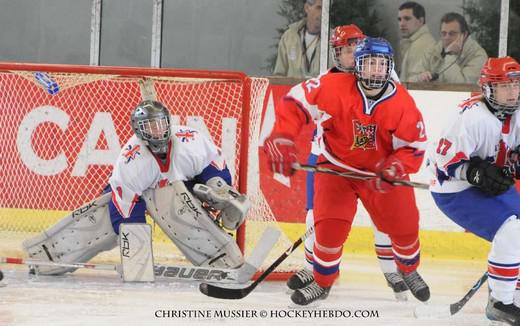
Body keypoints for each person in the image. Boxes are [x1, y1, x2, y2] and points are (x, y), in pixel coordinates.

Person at [264, 37, 430, 306]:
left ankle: (408, 269)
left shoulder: (402, 103)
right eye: (369, 63)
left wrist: (396, 167)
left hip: (381, 175)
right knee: (328, 230)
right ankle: (322, 281)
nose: (375, 70)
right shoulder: (333, 87)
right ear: (357, 66)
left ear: (390, 67)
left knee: (405, 226)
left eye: (381, 64)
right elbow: (295, 102)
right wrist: (283, 136)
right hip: (336, 169)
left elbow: (415, 146)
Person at [23, 100, 250, 275]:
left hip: (183, 186)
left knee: (187, 202)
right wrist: (137, 253)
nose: (157, 131)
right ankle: (46, 257)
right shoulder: (130, 161)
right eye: (150, 126)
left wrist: (215, 185)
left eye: (161, 124)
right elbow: (124, 206)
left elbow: (214, 163)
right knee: (102, 221)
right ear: (139, 130)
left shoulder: (189, 140)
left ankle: (221, 259)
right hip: (137, 194)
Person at [428, 56, 520, 324]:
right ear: (488, 88)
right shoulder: (470, 117)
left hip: (494, 186)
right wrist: (473, 171)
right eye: (505, 86)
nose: (513, 92)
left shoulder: (518, 115)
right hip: (454, 190)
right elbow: (443, 162)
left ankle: (512, 293)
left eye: (516, 86)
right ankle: (499, 303)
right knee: (513, 230)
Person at [410, 12, 487, 84]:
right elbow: (409, 80)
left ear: (464, 34)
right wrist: (420, 78)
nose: (446, 38)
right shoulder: (434, 50)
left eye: (452, 34)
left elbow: (462, 86)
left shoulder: (478, 55)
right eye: (444, 33)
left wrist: (450, 55)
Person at [273, 0, 323, 78]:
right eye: (319, 8)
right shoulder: (289, 37)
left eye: (326, 9)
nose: (323, 12)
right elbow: (279, 75)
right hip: (293, 89)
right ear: (307, 8)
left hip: (322, 90)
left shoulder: (334, 40)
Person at [397, 1, 435, 82]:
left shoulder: (422, 45)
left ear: (421, 21)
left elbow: (413, 85)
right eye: (399, 19)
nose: (402, 23)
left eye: (407, 19)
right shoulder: (414, 42)